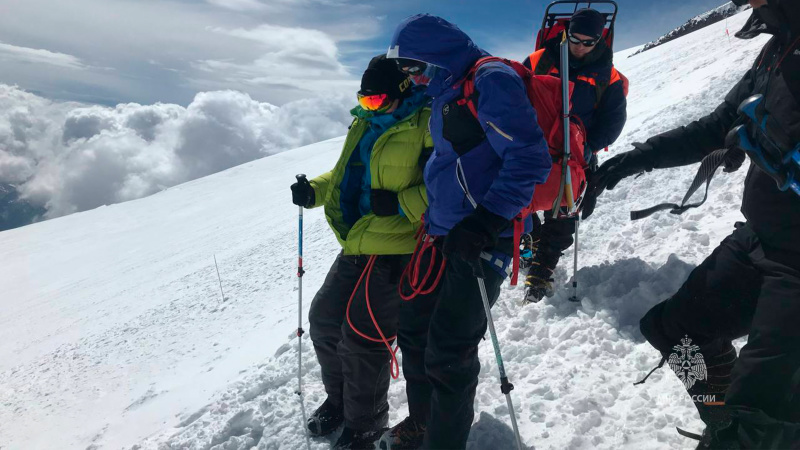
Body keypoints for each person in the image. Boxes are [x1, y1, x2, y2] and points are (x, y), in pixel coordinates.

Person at [588, 1, 800, 447]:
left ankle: (745, 431)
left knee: (761, 424)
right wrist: (634, 160)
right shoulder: (779, 47)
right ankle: (722, 418)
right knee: (671, 328)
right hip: (763, 240)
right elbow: (720, 124)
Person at [380, 14, 552, 450]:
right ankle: (425, 421)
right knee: (416, 333)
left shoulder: (490, 79)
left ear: (436, 56)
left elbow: (530, 159)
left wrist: (485, 220)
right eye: (405, 71)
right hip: (444, 234)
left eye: (414, 67)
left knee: (449, 352)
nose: (412, 80)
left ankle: (444, 442)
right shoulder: (445, 90)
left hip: (483, 238)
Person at [290, 54, 432, 449]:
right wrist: (314, 190)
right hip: (358, 239)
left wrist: (404, 203)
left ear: (402, 90)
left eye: (376, 100)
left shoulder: (426, 122)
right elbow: (347, 172)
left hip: (399, 245)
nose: (369, 107)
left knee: (363, 338)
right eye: (363, 100)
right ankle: (340, 402)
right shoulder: (365, 122)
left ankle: (365, 424)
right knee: (323, 321)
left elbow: (448, 181)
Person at [520, 8, 628, 304]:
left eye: (588, 42)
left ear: (599, 40)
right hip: (535, 145)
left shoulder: (609, 76)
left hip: (577, 152)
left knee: (565, 207)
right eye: (574, 39)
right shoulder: (538, 60)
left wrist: (589, 147)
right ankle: (532, 236)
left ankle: (542, 268)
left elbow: (613, 119)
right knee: (524, 199)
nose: (579, 47)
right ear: (565, 33)